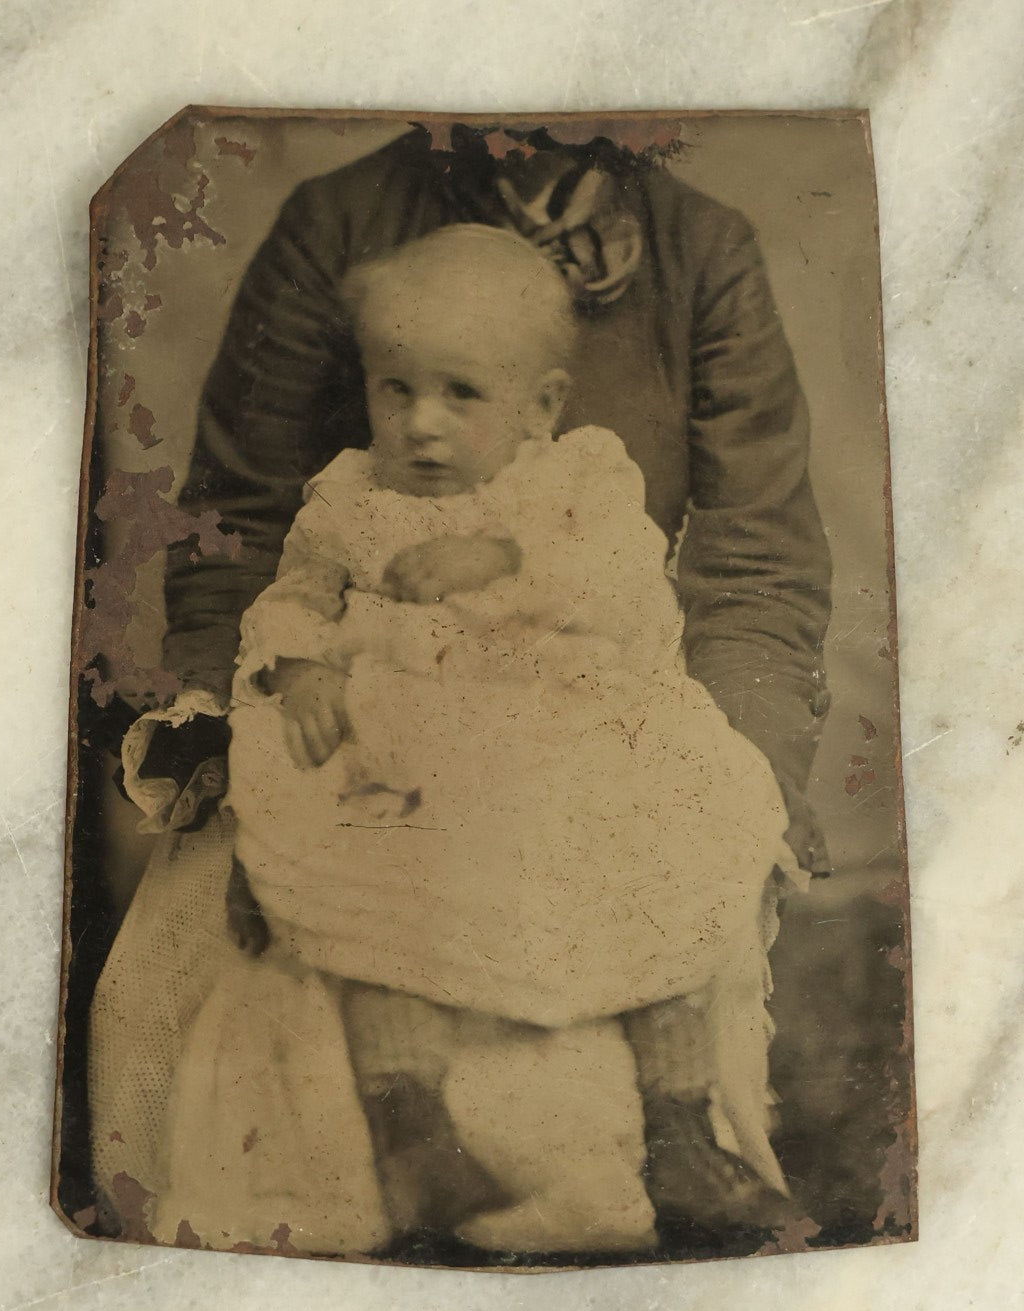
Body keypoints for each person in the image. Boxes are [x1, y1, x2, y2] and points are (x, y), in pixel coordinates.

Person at [91, 123, 832, 1252]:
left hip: (580, 720)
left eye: (459, 397)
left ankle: (679, 1140)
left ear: (540, 406)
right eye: (398, 392)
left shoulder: (654, 340)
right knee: (314, 917)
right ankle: (404, 1140)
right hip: (379, 728)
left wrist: (742, 772)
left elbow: (739, 564)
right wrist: (256, 695)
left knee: (683, 869)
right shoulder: (343, 269)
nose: (421, 426)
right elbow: (247, 533)